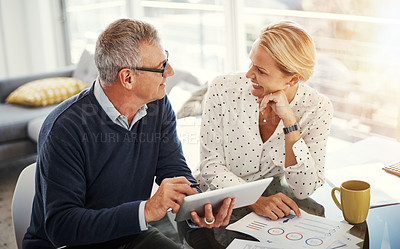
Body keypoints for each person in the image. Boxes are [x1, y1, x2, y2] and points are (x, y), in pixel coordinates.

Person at [23, 18, 235, 249]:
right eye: (161, 67)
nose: (170, 72)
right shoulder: (64, 128)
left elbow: (173, 170)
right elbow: (61, 227)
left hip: (128, 235)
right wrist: (145, 210)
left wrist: (198, 205)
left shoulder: (158, 105)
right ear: (127, 78)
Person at [198, 20, 333, 222]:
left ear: (293, 80)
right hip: (217, 200)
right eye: (251, 63)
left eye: (260, 71)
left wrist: (289, 122)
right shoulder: (223, 88)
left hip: (271, 203)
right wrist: (256, 200)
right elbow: (210, 167)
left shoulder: (317, 108)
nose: (249, 74)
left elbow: (304, 189)